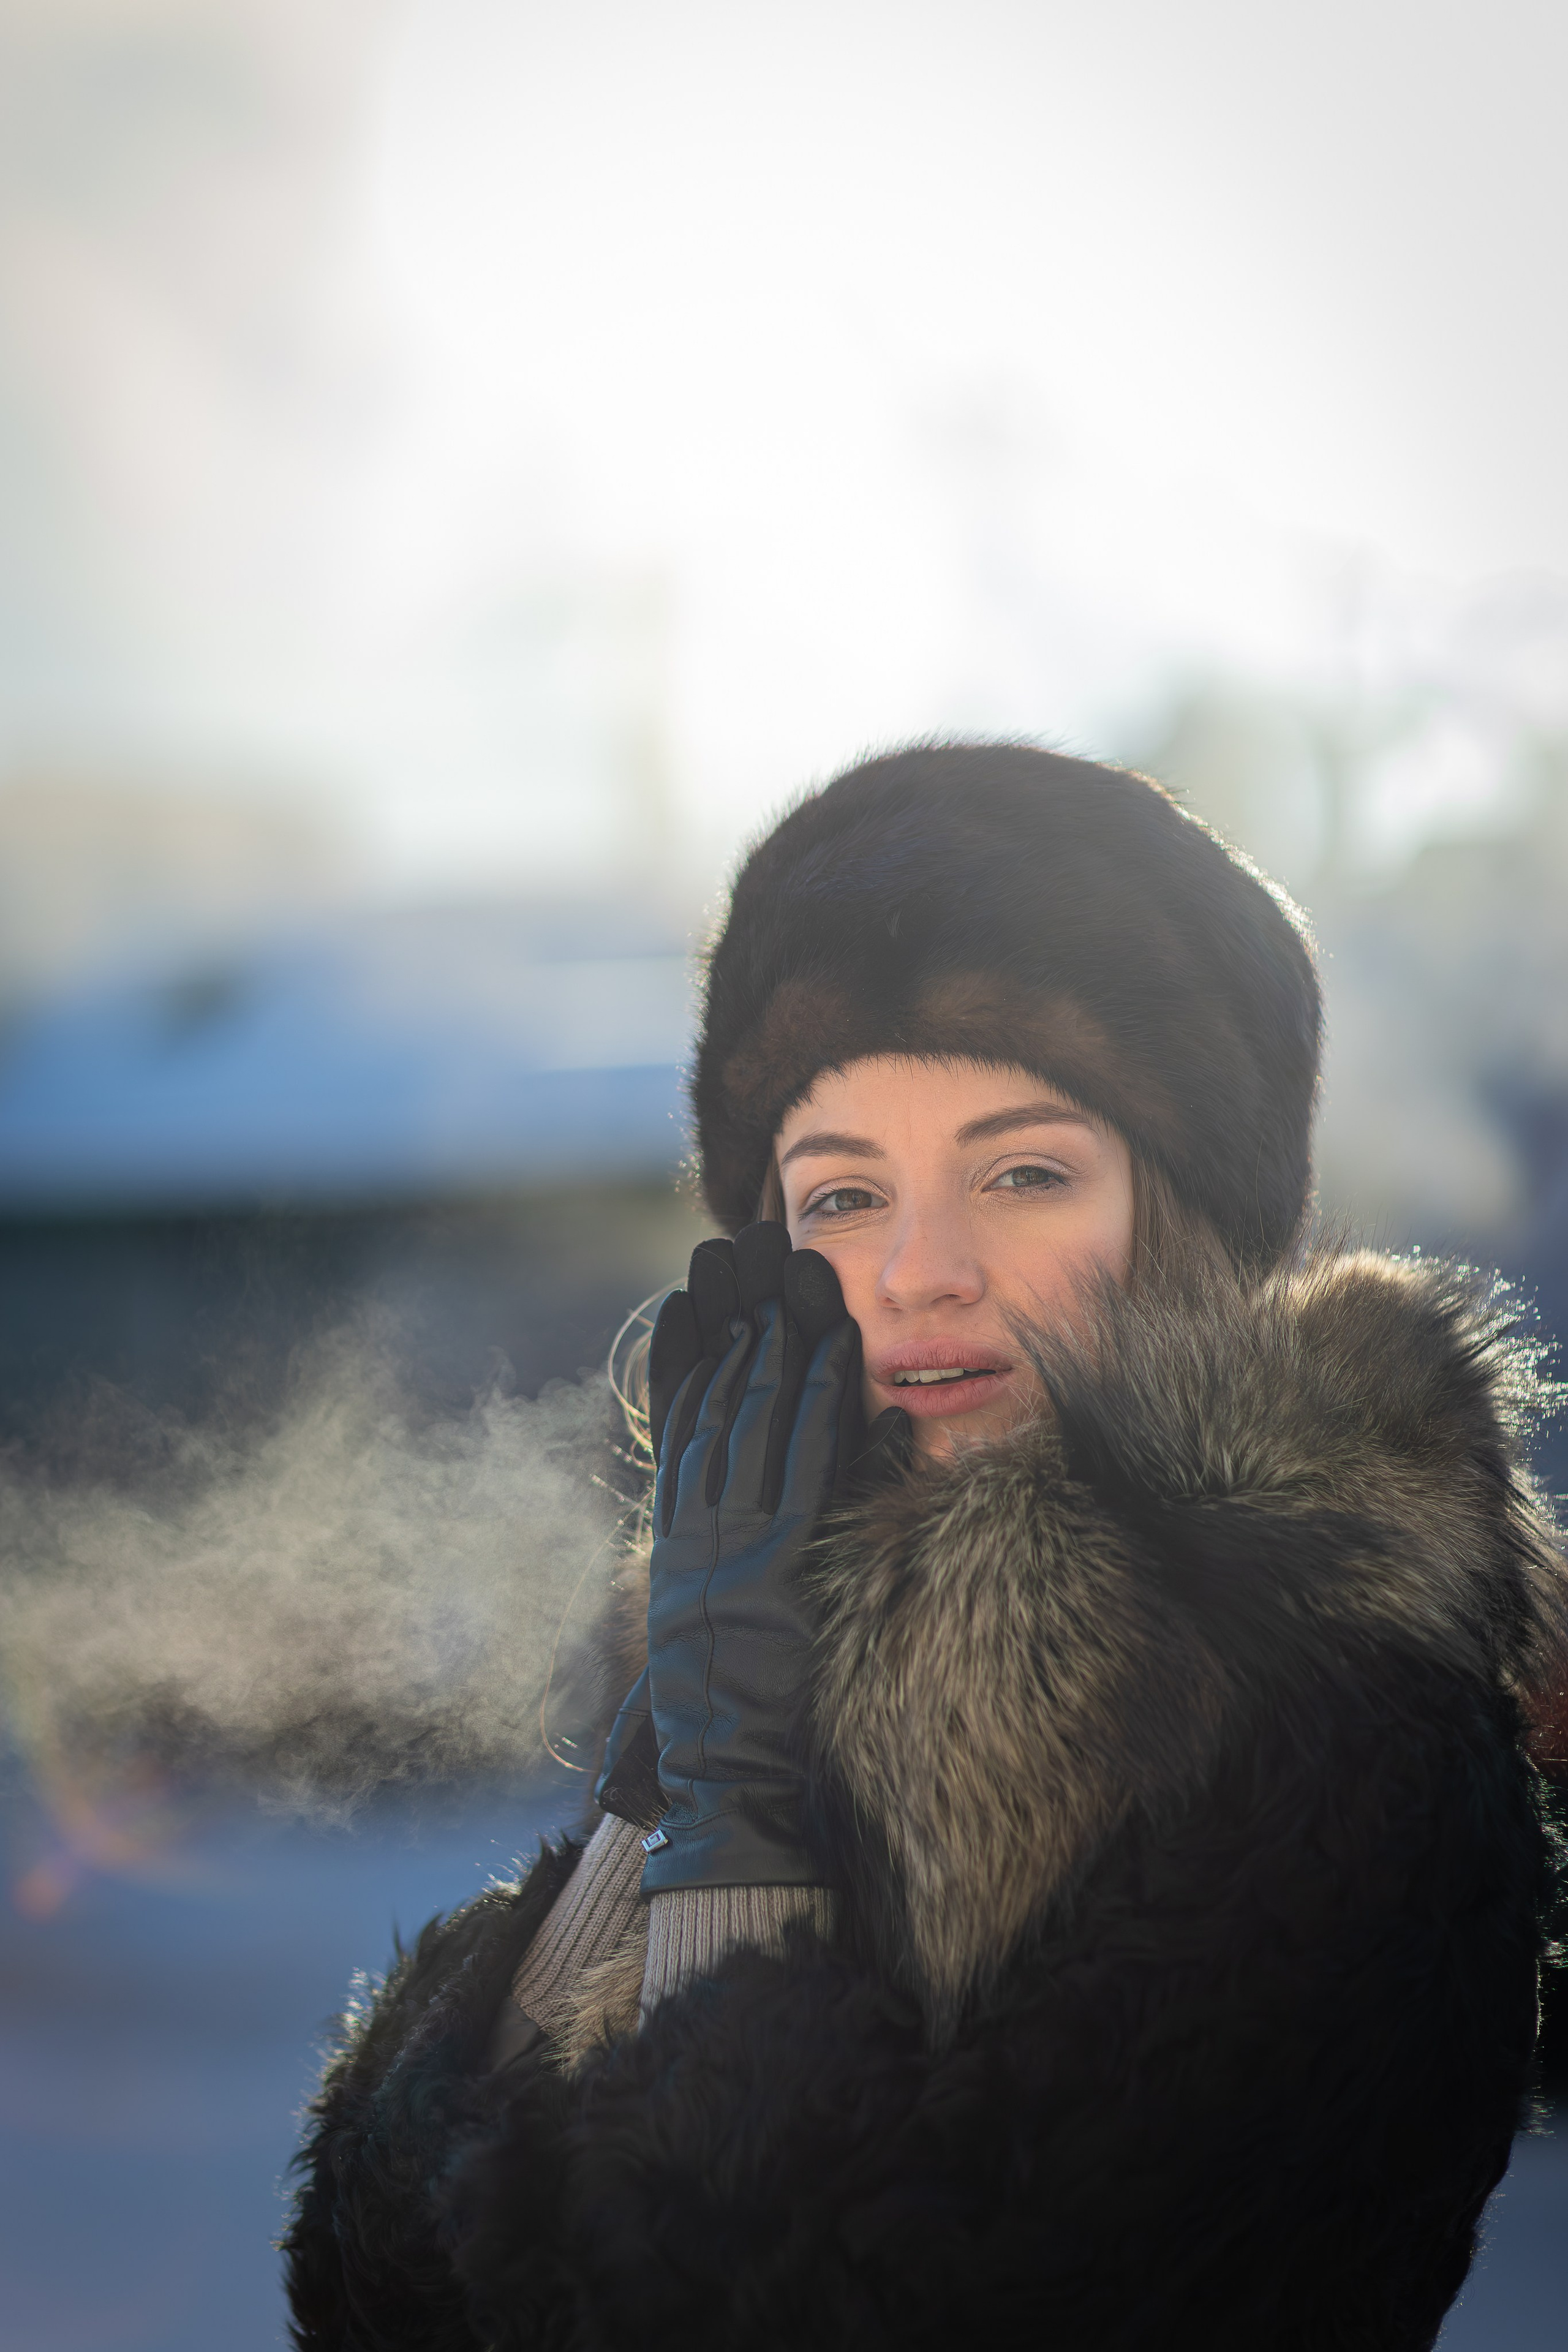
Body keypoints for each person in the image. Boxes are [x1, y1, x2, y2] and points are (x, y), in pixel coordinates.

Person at [284, 744, 1566, 2351]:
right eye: (839, 1194)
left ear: (1184, 1215)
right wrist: (663, 1794)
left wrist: (732, 1826)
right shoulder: (766, 1629)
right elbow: (385, 2283)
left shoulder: (1343, 1705)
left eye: (1023, 1173)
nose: (918, 1272)